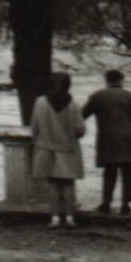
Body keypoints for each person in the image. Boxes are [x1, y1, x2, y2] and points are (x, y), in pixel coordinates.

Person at [81, 68, 131, 214]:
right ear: (121, 80)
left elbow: (82, 116)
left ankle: (106, 203)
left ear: (106, 81)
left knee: (109, 171)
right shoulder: (130, 96)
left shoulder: (97, 97)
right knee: (128, 172)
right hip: (130, 138)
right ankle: (126, 204)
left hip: (108, 138)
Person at [30, 72, 86, 229]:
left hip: (46, 148)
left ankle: (54, 218)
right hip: (67, 149)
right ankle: (69, 218)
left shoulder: (40, 102)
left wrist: (38, 143)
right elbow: (80, 130)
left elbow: (34, 128)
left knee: (53, 185)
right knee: (68, 184)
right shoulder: (73, 104)